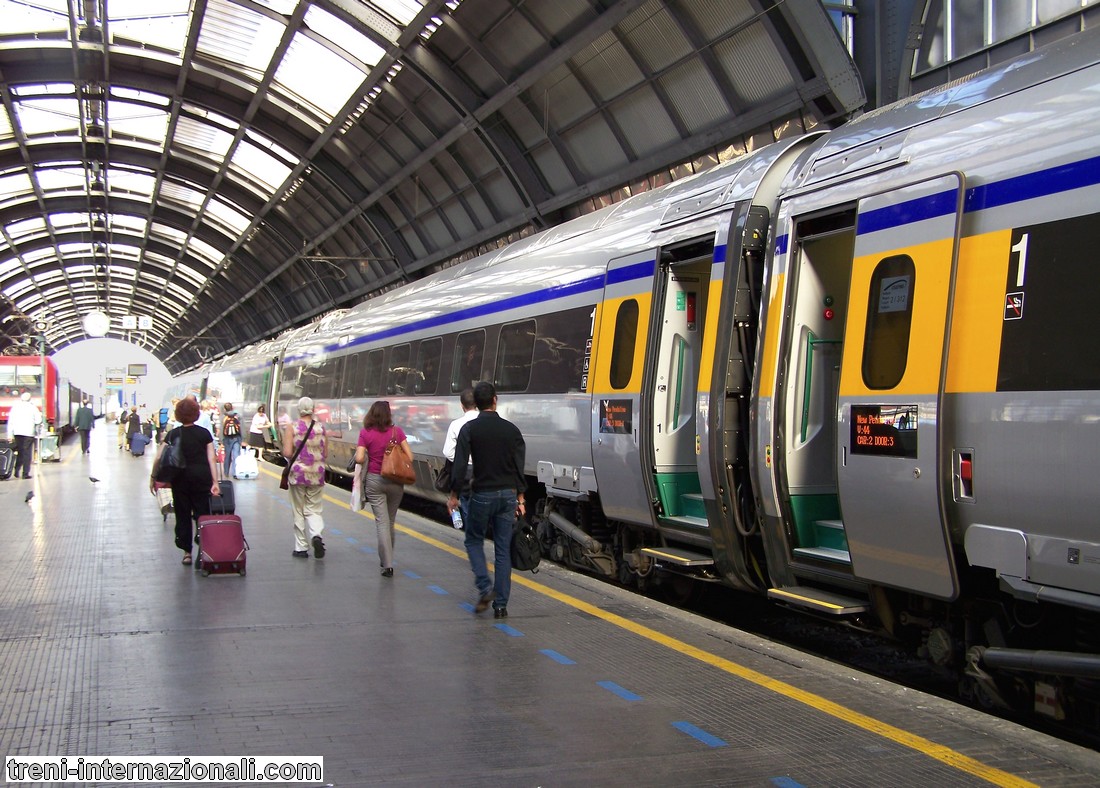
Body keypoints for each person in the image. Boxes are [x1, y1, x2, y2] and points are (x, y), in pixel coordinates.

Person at [447, 381, 526, 618]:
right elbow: (518, 467)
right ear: (495, 400)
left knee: (473, 541)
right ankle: (500, 605)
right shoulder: (512, 430)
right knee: (502, 548)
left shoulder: (469, 430)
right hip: (508, 495)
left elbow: (459, 466)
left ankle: (484, 587)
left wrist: (453, 495)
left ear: (476, 404)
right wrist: (520, 497)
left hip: (482, 494)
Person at [149, 396, 220, 565]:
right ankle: (203, 547)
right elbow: (212, 459)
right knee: (202, 514)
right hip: (201, 479)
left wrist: (153, 477)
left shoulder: (173, 433)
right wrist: (215, 482)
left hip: (180, 479)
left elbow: (159, 456)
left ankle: (187, 552)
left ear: (178, 414)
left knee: (182, 514)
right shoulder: (204, 433)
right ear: (196, 414)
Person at [354, 400, 413, 577]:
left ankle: (386, 564)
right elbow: (410, 456)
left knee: (382, 522)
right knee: (391, 521)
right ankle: (388, 559)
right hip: (395, 481)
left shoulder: (365, 433)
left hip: (374, 480)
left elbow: (359, 458)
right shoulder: (397, 432)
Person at [281, 397, 327, 559]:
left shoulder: (292, 427)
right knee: (314, 509)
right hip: (317, 474)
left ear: (299, 410)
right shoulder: (321, 428)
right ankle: (316, 535)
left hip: (298, 474)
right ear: (313, 409)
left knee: (298, 510)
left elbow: (287, 452)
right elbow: (325, 453)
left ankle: (301, 547)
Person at [441, 388, 477, 528]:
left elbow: (448, 452)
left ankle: (473, 541)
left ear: (462, 405)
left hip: (466, 472)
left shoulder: (456, 425)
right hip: (486, 473)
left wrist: (462, 459)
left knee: (468, 509)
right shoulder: (485, 422)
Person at [6, 392, 42, 479]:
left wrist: (10, 435)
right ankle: (25, 473)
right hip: (29, 433)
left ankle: (16, 470)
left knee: (20, 452)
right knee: (27, 453)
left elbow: (10, 422)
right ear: (30, 399)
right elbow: (38, 420)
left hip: (17, 432)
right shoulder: (33, 407)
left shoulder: (15, 408)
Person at [221, 402, 242, 477]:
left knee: (228, 456)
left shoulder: (223, 417)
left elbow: (221, 429)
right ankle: (235, 473)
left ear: (225, 408)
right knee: (236, 455)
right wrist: (243, 439)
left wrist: (221, 441)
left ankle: (226, 472)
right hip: (236, 438)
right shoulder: (237, 416)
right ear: (232, 407)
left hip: (227, 439)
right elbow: (241, 427)